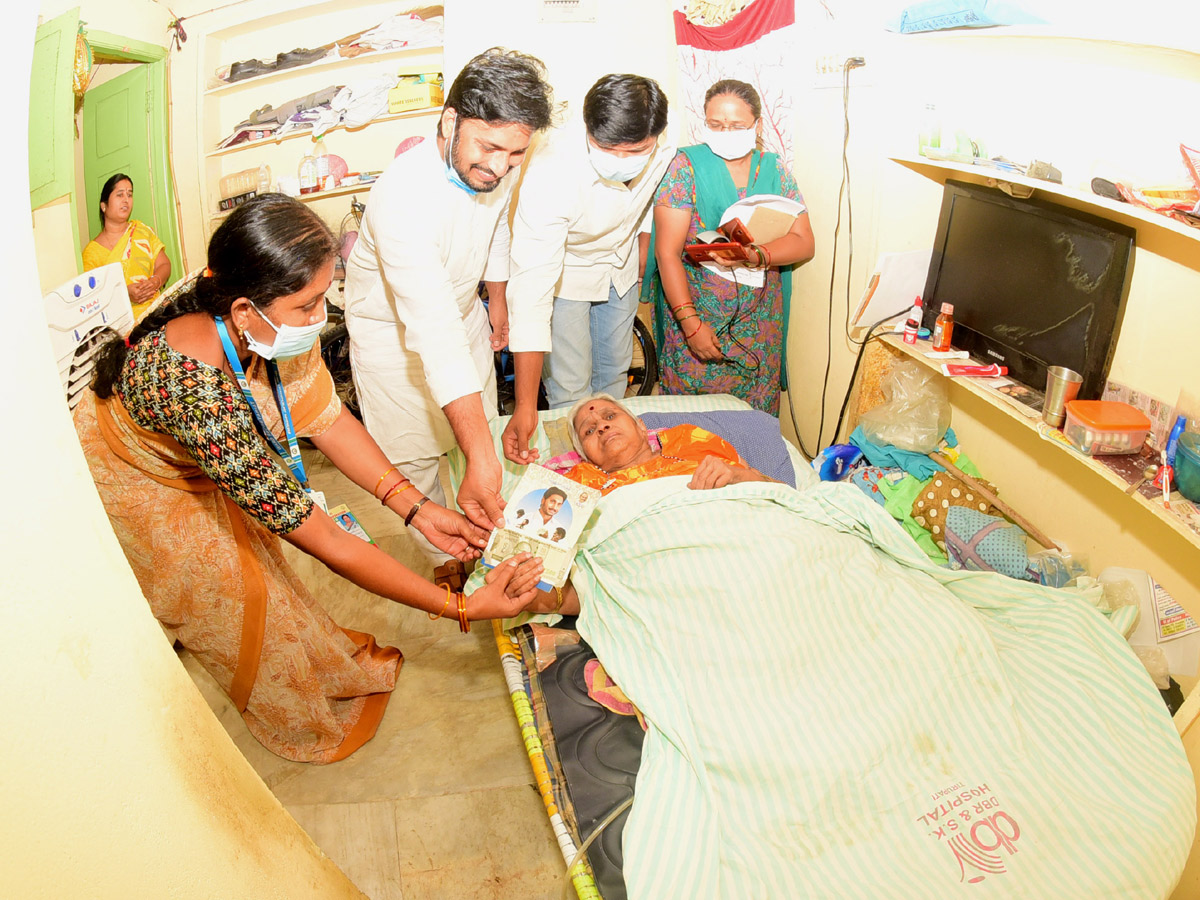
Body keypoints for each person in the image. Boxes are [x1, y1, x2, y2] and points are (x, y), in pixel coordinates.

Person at [73, 194, 536, 764]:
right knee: (232, 596)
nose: (322, 319)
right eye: (309, 305)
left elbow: (329, 418)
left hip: (197, 445)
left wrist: (417, 509)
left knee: (264, 572)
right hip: (136, 479)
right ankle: (295, 717)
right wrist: (460, 608)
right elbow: (328, 540)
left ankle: (322, 668)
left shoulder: (257, 310)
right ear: (245, 311)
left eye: (325, 294)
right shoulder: (194, 391)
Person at [343, 48, 555, 579]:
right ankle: (447, 560)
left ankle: (485, 529)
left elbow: (498, 227)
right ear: (449, 121)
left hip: (463, 317)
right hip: (394, 343)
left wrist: (498, 297)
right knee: (413, 462)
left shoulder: (492, 164)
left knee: (474, 436)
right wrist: (483, 457)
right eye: (489, 147)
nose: (501, 166)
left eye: (515, 153)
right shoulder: (401, 198)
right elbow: (431, 332)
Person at [504, 74, 673, 464]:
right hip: (567, 271)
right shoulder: (550, 172)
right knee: (570, 386)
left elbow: (654, 197)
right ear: (588, 129)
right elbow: (530, 296)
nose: (621, 160)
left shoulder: (668, 135)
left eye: (637, 150)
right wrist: (525, 404)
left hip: (621, 265)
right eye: (607, 148)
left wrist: (644, 245)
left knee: (614, 377)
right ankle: (575, 475)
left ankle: (623, 466)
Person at [509, 392, 771, 615]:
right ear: (585, 456)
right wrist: (529, 590)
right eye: (589, 430)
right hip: (662, 583)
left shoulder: (691, 441)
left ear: (642, 428)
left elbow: (778, 493)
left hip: (748, 548)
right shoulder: (578, 486)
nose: (601, 426)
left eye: (610, 416)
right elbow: (550, 574)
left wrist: (737, 475)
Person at [644, 79, 815, 415]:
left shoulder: (774, 169)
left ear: (758, 125)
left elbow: (803, 241)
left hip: (758, 329)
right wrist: (691, 324)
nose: (725, 132)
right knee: (692, 429)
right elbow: (667, 253)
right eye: (715, 125)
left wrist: (756, 255)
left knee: (754, 431)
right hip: (697, 323)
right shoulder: (684, 168)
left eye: (737, 126)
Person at [83, 173, 172, 322]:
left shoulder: (142, 230)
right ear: (104, 206)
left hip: (157, 314)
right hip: (121, 326)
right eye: (119, 195)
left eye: (129, 195)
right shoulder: (92, 252)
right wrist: (124, 294)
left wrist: (156, 281)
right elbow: (93, 300)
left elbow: (164, 264)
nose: (126, 200)